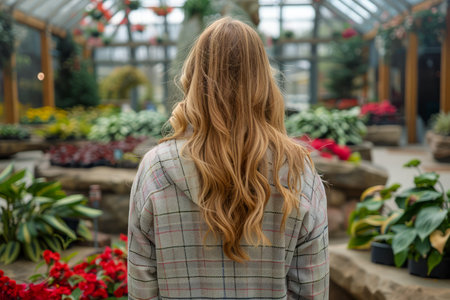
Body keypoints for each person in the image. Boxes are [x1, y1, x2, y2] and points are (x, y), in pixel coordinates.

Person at [128, 17, 329, 300]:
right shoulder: (298, 171)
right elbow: (312, 291)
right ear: (264, 80)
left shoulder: (156, 169)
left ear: (194, 77)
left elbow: (141, 289)